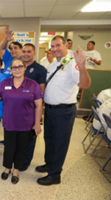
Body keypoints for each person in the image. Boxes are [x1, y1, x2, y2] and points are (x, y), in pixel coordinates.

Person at [0, 58, 43, 184]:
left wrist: (37, 123)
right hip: (10, 123)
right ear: (10, 70)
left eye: (20, 67)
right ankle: (7, 168)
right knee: (9, 147)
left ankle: (16, 170)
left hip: (26, 124)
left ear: (24, 68)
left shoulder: (33, 85)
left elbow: (39, 105)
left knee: (21, 148)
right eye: (14, 67)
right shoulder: (5, 83)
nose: (17, 69)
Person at [36, 35, 91, 186]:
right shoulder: (54, 65)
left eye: (58, 45)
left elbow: (85, 85)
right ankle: (49, 164)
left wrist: (82, 65)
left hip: (64, 111)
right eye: (52, 46)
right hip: (50, 110)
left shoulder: (73, 65)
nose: (55, 49)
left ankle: (55, 175)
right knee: (49, 139)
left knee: (60, 143)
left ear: (66, 46)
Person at [20, 43, 47, 171]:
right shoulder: (17, 66)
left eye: (29, 51)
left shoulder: (40, 69)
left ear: (34, 53)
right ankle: (17, 158)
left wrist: (38, 118)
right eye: (24, 51)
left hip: (31, 109)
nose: (26, 54)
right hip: (17, 108)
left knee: (30, 137)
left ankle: (25, 161)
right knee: (17, 135)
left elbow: (41, 92)